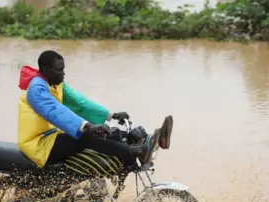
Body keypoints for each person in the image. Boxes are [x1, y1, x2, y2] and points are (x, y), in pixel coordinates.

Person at [17, 50, 173, 169]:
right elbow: (55, 112)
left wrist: (111, 115)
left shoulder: (55, 84)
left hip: (53, 136)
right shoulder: (36, 89)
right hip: (38, 144)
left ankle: (144, 141)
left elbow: (80, 102)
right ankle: (137, 151)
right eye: (59, 70)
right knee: (87, 136)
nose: (63, 73)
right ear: (45, 69)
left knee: (105, 132)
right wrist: (87, 126)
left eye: (63, 69)